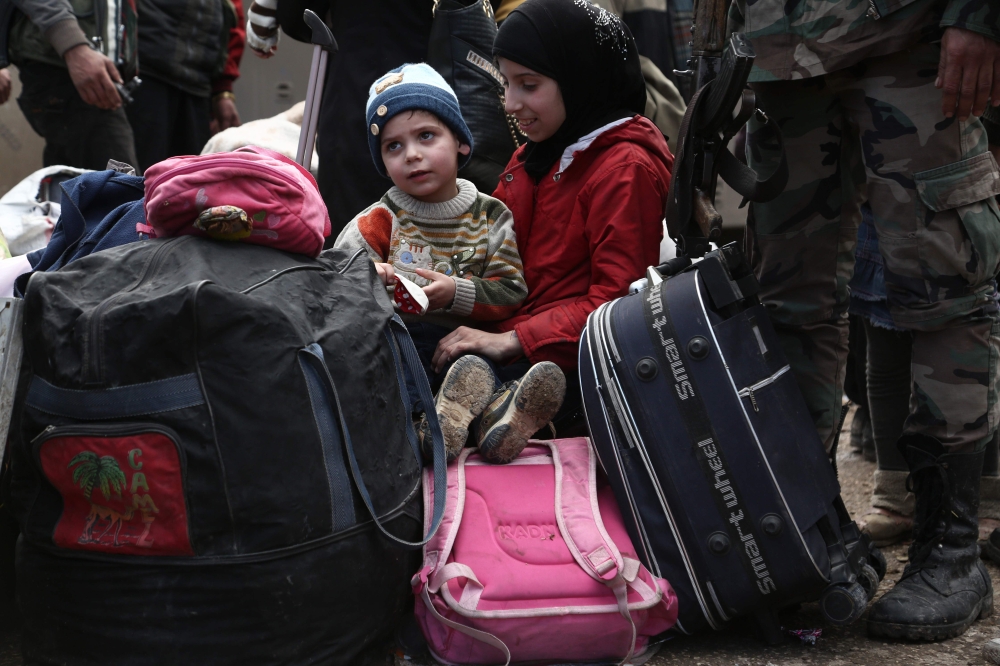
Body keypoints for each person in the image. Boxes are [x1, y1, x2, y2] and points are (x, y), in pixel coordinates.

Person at [731, 0, 1000, 641]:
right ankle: (809, 529)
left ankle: (950, 546)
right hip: (777, 52)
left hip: (907, 36)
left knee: (942, 284)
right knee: (789, 300)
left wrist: (978, 15)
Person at [428, 0, 673, 441]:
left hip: (569, 358)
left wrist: (513, 340)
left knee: (465, 370)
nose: (510, 103)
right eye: (506, 83)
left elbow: (617, 306)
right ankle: (475, 413)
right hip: (513, 332)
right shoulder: (533, 156)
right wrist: (445, 284)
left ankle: (489, 414)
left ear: (579, 78)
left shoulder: (623, 168)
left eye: (529, 85)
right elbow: (499, 262)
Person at [334, 63, 562, 465]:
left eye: (426, 136)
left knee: (482, 365)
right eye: (394, 147)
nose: (413, 155)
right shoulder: (377, 222)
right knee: (395, 355)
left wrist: (456, 293)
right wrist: (370, 278)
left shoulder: (491, 215)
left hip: (468, 342)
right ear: (383, 162)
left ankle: (492, 416)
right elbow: (333, 285)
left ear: (459, 140)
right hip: (405, 341)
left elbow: (511, 291)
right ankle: (431, 424)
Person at [3, 0, 138, 169]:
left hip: (93, 70)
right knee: (122, 187)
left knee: (74, 187)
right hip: (66, 67)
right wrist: (74, 47)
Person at [124, 0, 245, 172]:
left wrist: (222, 89)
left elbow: (231, 11)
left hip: (198, 82)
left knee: (191, 181)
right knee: (139, 178)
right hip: (146, 72)